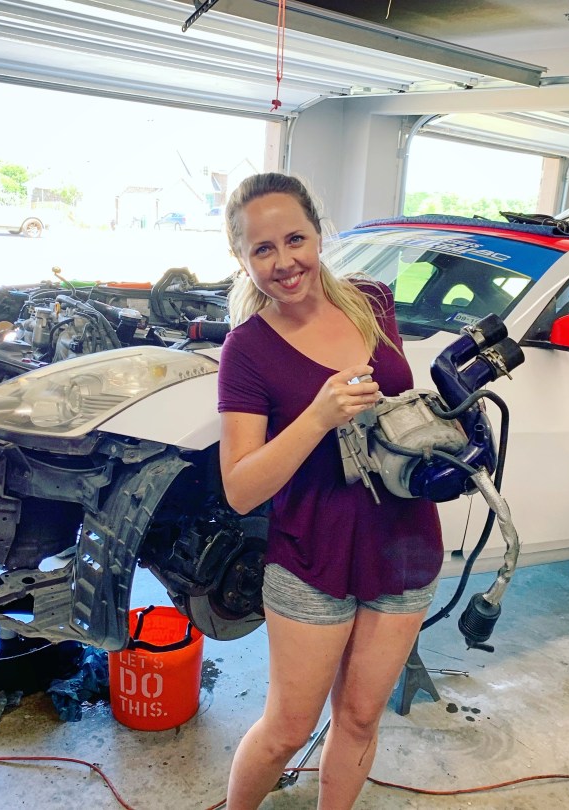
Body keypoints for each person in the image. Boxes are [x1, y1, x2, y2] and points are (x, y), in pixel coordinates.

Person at [217, 173, 443, 809]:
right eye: (263, 249)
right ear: (242, 258)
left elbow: (397, 408)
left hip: (403, 541)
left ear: (318, 234)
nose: (285, 262)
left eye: (296, 239)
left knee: (362, 717)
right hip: (312, 553)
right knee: (288, 730)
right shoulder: (247, 350)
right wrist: (317, 417)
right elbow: (240, 489)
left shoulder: (371, 302)